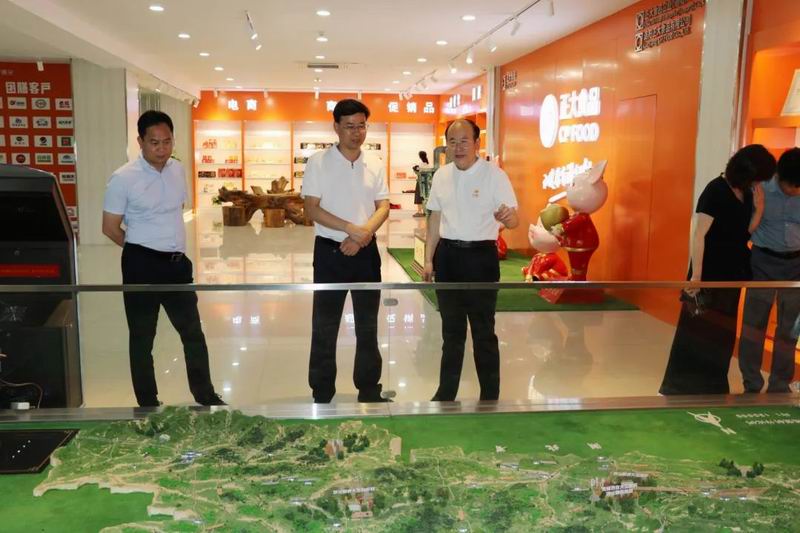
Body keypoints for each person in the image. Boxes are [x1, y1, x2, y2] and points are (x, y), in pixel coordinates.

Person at [102, 110, 224, 407]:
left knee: (192, 332)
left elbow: (175, 211)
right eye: (154, 142)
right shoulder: (123, 178)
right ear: (140, 142)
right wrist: (140, 250)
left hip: (177, 265)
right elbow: (110, 227)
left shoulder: (177, 169)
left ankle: (205, 394)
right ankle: (148, 402)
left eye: (167, 142)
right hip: (141, 265)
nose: (161, 149)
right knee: (142, 337)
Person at [659, 144, 776, 395]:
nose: (758, 184)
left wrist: (760, 209)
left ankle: (712, 385)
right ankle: (681, 386)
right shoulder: (715, 189)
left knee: (721, 333)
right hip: (708, 271)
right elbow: (698, 234)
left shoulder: (746, 193)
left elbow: (742, 233)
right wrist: (697, 277)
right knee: (696, 330)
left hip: (732, 273)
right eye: (757, 178)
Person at [423, 118, 519, 401]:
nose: (458, 147)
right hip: (448, 257)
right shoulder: (441, 176)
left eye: (464, 141)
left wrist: (508, 218)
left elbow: (514, 220)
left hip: (481, 258)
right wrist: (429, 259)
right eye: (452, 142)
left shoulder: (494, 176)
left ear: (477, 143)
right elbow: (434, 219)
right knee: (451, 332)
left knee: (483, 331)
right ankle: (446, 393)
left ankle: (490, 394)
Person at [303, 99, 391, 403]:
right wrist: (350, 229)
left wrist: (363, 235)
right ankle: (322, 391)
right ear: (336, 127)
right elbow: (311, 208)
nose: (356, 132)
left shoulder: (374, 162)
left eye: (361, 125)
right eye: (349, 126)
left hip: (366, 252)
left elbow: (383, 206)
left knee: (368, 325)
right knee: (324, 325)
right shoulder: (318, 162)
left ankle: (368, 389)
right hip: (329, 253)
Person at [738, 147, 800, 393]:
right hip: (763, 261)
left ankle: (780, 385)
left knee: (789, 328)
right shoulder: (760, 188)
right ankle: (751, 383)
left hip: (796, 264)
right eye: (791, 186)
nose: (795, 190)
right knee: (754, 324)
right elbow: (744, 226)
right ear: (779, 176)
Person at [412, 150, 430, 217]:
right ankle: (425, 211)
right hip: (426, 183)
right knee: (425, 197)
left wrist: (414, 169)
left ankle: (419, 211)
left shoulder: (419, 164)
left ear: (420, 156)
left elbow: (416, 171)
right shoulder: (427, 164)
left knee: (418, 197)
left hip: (420, 182)